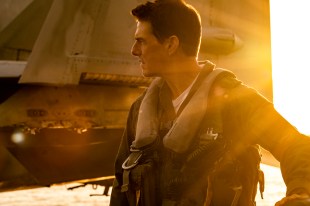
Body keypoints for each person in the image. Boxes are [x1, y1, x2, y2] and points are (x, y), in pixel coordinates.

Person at [109, 0, 310, 205]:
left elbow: (297, 146)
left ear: (171, 44)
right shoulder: (140, 110)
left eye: (141, 41)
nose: (134, 50)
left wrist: (299, 195)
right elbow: (121, 185)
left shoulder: (234, 101)